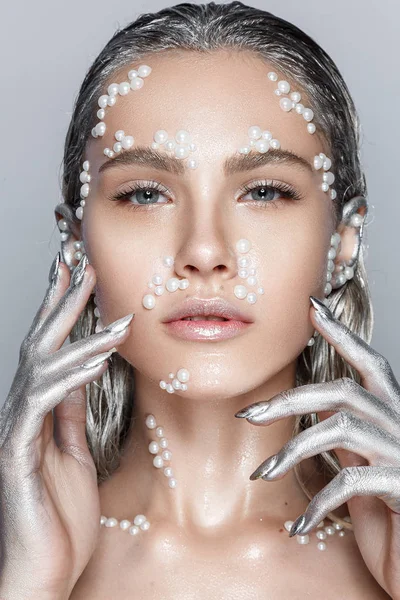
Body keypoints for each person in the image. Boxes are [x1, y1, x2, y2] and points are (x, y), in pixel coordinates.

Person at [1, 2, 399, 598]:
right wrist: (30, 582)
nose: (206, 251)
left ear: (342, 245)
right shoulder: (23, 562)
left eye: (264, 190)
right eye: (144, 194)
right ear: (76, 244)